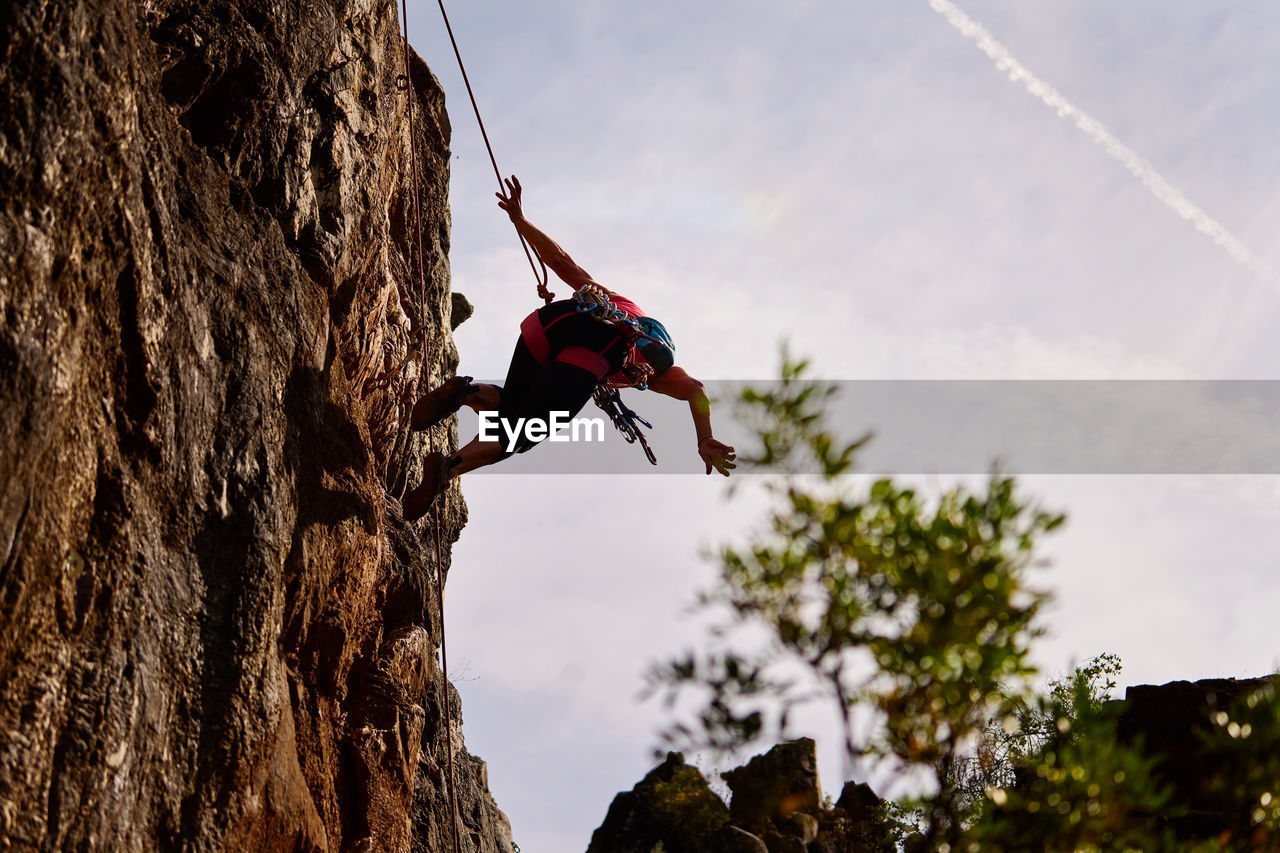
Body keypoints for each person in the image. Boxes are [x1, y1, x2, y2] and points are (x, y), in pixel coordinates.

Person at [403, 176, 736, 521]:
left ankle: (464, 393)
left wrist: (520, 220)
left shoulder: (624, 306)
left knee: (514, 408)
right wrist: (704, 438)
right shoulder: (652, 367)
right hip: (591, 354)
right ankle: (447, 470)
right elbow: (695, 390)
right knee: (521, 434)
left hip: (551, 324)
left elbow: (562, 263)